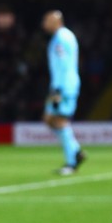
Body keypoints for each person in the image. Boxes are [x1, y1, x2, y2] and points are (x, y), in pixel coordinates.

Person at [41, 10, 85, 175]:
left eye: (47, 20)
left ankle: (72, 162)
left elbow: (64, 65)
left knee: (59, 120)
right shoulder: (63, 36)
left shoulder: (61, 38)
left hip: (64, 86)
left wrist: (58, 90)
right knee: (49, 119)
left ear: (56, 21)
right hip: (60, 84)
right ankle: (76, 151)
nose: (44, 24)